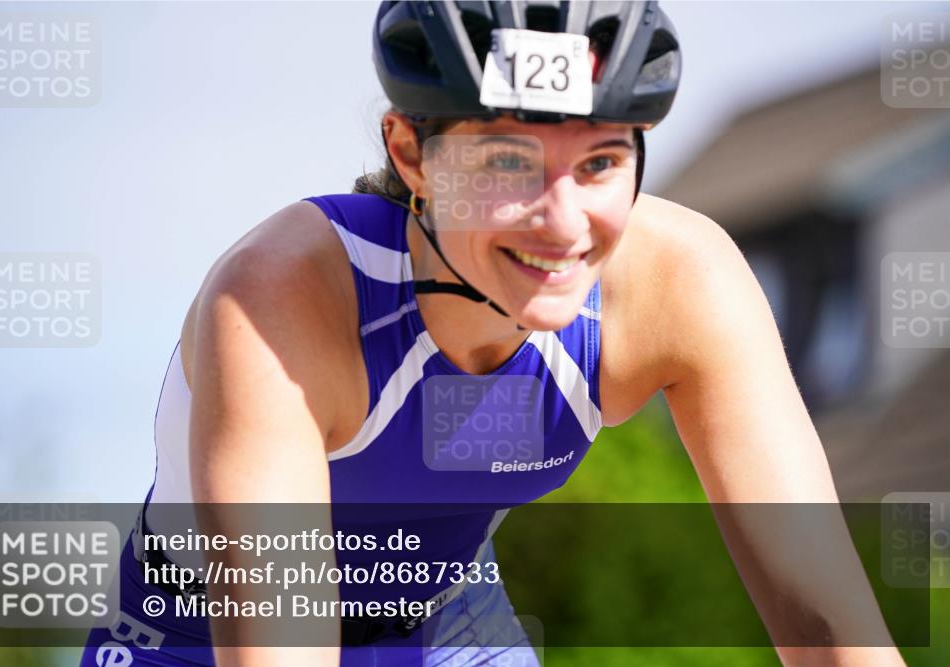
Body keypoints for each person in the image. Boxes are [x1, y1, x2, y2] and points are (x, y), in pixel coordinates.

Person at [82, 1, 907, 666]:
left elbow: (832, 627)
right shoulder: (282, 298)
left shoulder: (679, 283)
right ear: (410, 151)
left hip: (447, 621)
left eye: (598, 164)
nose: (561, 221)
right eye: (509, 163)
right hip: (189, 637)